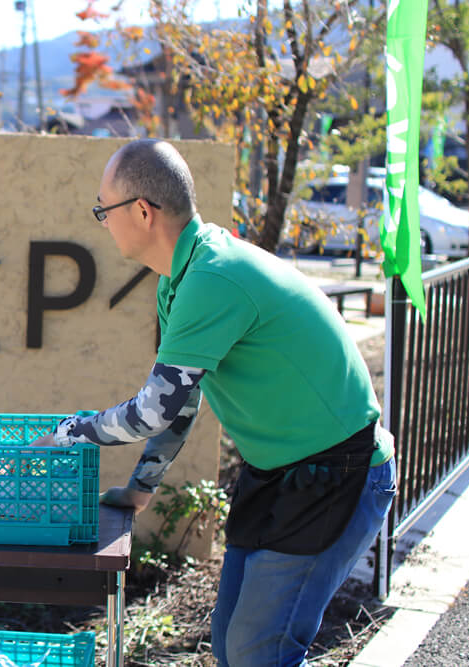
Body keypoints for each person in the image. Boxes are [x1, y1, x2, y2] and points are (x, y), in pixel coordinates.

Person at [34, 139, 395, 667]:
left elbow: (153, 408)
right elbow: (180, 402)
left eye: (103, 211)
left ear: (142, 211)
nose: (103, 223)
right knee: (232, 647)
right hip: (278, 476)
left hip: (336, 475)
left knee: (258, 653)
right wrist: (141, 489)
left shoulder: (211, 277)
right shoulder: (178, 279)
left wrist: (69, 433)